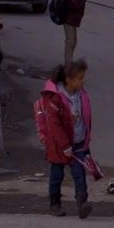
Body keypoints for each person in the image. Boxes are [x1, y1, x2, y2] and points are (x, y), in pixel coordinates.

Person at [39, 60, 94, 219]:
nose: (83, 81)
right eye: (80, 78)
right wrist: (64, 145)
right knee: (57, 173)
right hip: (58, 144)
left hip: (77, 141)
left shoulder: (81, 94)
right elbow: (54, 125)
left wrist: (85, 136)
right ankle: (55, 203)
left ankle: (82, 203)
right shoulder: (55, 98)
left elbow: (84, 116)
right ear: (69, 79)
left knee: (79, 173)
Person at [64, 0, 87, 64]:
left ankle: (69, 61)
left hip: (71, 21)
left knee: (73, 41)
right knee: (70, 42)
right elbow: (75, 6)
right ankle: (68, 63)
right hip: (69, 20)